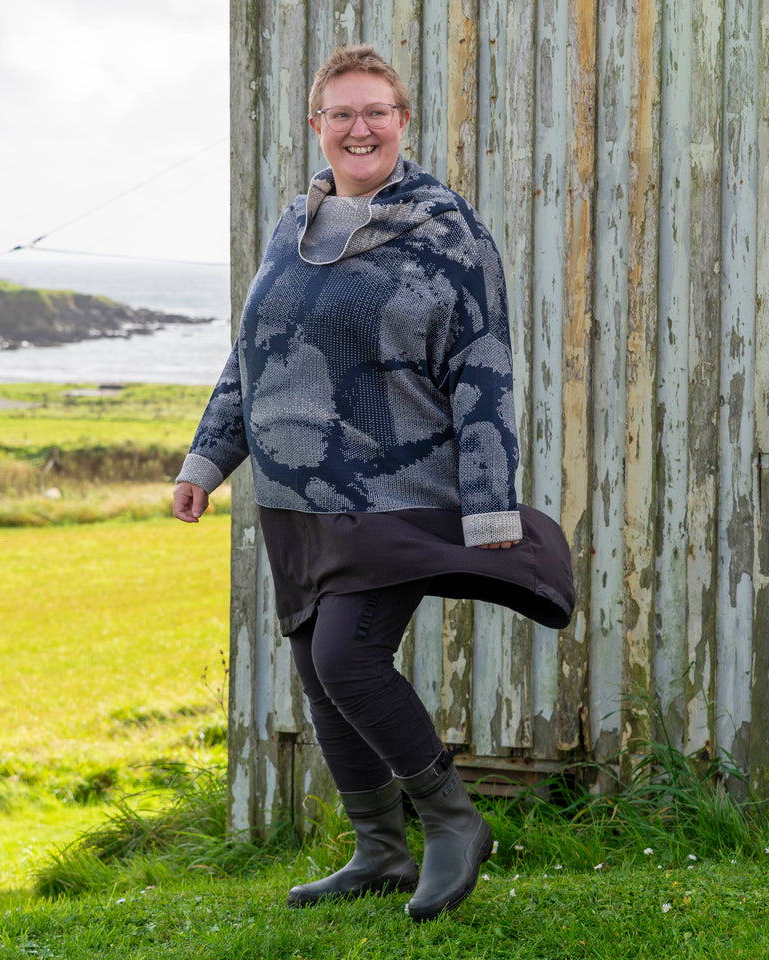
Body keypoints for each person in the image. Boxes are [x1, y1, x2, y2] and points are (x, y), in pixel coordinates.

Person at [173, 44, 574, 922]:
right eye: (341, 113)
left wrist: (489, 498)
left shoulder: (448, 233)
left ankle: (453, 821)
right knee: (319, 677)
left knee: (346, 660)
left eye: (376, 112)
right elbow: (255, 355)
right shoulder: (294, 227)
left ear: (402, 123)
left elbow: (485, 369)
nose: (359, 127)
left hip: (390, 490)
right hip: (290, 499)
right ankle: (378, 849)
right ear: (317, 125)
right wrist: (208, 462)